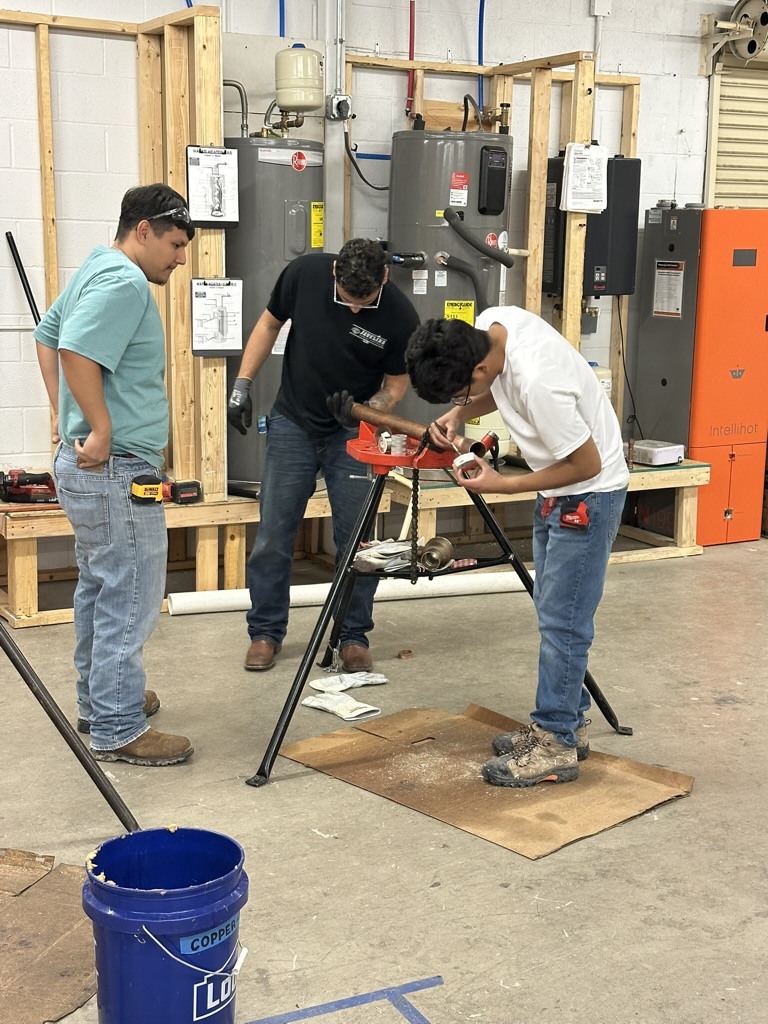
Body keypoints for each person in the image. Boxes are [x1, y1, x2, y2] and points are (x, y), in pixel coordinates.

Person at [405, 308, 629, 788]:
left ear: (478, 367)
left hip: (588, 492)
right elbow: (494, 390)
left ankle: (556, 745)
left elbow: (586, 464)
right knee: (555, 612)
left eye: (459, 390)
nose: (461, 400)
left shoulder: (539, 382)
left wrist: (501, 484)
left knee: (563, 623)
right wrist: (458, 410)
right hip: (560, 490)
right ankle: (569, 722)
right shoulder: (494, 324)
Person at [34, 184, 196, 767]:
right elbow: (75, 349)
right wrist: (96, 428)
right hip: (116, 469)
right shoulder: (125, 281)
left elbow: (47, 336)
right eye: (175, 245)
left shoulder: (97, 267)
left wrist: (65, 417)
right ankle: (117, 726)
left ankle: (103, 700)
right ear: (145, 229)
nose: (180, 259)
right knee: (129, 594)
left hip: (95, 472)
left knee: (100, 590)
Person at [228, 238, 420, 673]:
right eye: (348, 299)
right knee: (274, 538)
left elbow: (395, 386)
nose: (355, 309)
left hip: (352, 436)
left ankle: (352, 636)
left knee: (357, 543)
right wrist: (242, 383)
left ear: (384, 278)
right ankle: (265, 633)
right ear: (334, 273)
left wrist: (369, 411)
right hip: (293, 422)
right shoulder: (304, 274)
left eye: (365, 301)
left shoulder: (400, 315)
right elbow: (268, 326)